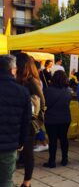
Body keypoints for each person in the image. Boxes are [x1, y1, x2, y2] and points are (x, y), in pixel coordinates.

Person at [0, 55, 31, 187]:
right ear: (13, 70)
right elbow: (26, 121)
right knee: (6, 181)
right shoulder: (22, 92)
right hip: (9, 145)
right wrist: (21, 142)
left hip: (9, 143)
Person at [16, 53, 45, 187]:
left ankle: (26, 182)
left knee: (28, 153)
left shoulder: (31, 81)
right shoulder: (17, 80)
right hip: (17, 121)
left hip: (28, 123)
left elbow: (42, 102)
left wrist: (37, 120)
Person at [43, 70, 72, 168]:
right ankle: (65, 159)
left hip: (51, 119)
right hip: (65, 118)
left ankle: (52, 161)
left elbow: (45, 104)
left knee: (53, 140)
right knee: (64, 138)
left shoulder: (47, 91)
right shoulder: (68, 90)